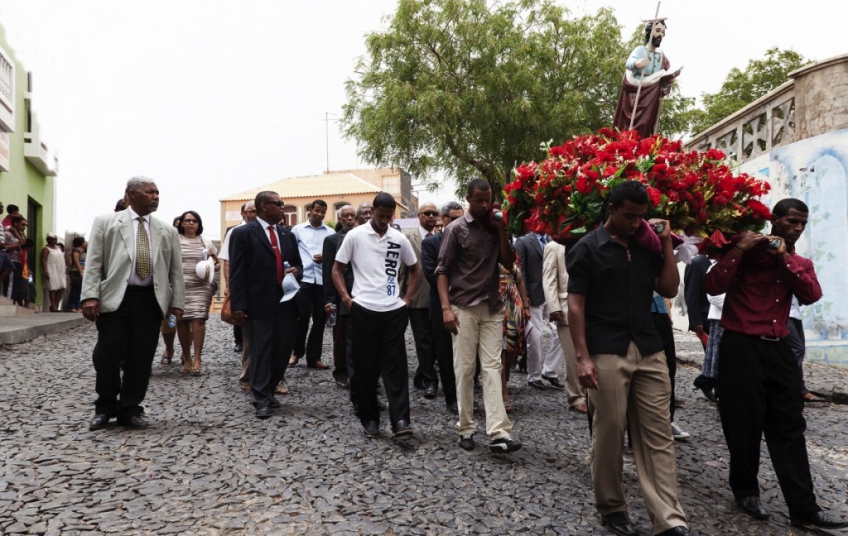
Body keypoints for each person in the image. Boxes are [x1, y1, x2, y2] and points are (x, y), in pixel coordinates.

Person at [704, 199, 847, 530]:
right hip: (740, 347)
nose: (798, 228)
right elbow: (712, 286)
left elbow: (811, 294)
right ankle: (745, 490)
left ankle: (804, 509)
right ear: (775, 220)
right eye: (792, 221)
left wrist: (784, 259)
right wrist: (739, 249)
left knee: (790, 427)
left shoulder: (799, 263)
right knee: (742, 424)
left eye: (803, 224)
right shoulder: (744, 253)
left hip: (779, 349)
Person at [567, 180, 690, 536]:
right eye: (629, 216)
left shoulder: (646, 245)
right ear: (612, 209)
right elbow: (575, 304)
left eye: (641, 217)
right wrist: (582, 358)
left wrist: (666, 243)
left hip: (649, 347)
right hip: (606, 349)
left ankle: (669, 519)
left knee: (658, 434)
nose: (636, 223)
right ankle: (612, 508)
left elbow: (668, 288)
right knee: (609, 431)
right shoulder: (588, 248)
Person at [83, 177, 185, 430]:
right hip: (115, 298)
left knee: (141, 356)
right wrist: (90, 296)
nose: (156, 197)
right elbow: (94, 262)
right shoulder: (106, 222)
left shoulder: (167, 230)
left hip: (150, 300)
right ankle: (105, 406)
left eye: (157, 193)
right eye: (150, 192)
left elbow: (175, 271)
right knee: (108, 354)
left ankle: (130, 408)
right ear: (131, 194)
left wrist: (177, 304)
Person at [437, 178, 522, 454]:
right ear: (468, 199)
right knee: (465, 368)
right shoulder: (455, 229)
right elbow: (442, 271)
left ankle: (499, 432)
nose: (485, 205)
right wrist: (446, 308)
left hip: (492, 305)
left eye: (488, 200)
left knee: (493, 367)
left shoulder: (494, 227)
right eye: (479, 201)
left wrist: (501, 230)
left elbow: (508, 263)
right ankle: (465, 427)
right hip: (463, 305)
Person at [333, 192, 420, 438]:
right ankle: (370, 418)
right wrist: (346, 298)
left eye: (388, 217)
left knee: (396, 367)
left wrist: (407, 299)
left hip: (393, 311)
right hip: (363, 309)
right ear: (372, 211)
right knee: (365, 367)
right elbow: (337, 269)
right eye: (380, 215)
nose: (384, 221)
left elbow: (415, 269)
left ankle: (401, 420)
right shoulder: (355, 236)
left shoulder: (398, 238)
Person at [229, 191, 303, 419]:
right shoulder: (242, 233)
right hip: (258, 303)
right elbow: (237, 272)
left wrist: (296, 271)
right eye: (278, 203)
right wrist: (239, 305)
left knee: (282, 351)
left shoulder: (287, 234)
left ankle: (270, 390)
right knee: (261, 351)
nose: (283, 207)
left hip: (286, 302)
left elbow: (298, 263)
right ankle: (260, 398)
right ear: (263, 206)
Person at [420, 201, 462, 415]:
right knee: (445, 356)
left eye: (461, 219)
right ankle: (451, 398)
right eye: (454, 219)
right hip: (441, 306)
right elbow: (431, 274)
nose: (458, 223)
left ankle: (466, 396)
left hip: (468, 305)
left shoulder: (468, 239)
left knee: (467, 356)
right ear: (443, 219)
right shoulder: (431, 243)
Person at [613, 19, 681, 139]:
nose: (660, 35)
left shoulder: (661, 55)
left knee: (647, 122)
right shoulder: (641, 50)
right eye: (658, 31)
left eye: (663, 33)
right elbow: (629, 63)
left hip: (652, 96)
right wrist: (637, 63)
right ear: (649, 32)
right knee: (633, 124)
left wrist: (670, 79)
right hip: (636, 93)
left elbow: (666, 73)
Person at [541, 237, 587, 414]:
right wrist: (554, 307)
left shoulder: (589, 241)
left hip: (590, 309)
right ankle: (576, 396)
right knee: (572, 356)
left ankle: (591, 394)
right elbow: (549, 279)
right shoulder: (554, 247)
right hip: (566, 308)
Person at [515, 231, 565, 390]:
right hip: (533, 295)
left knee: (562, 332)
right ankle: (534, 375)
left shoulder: (553, 240)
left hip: (551, 295)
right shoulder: (523, 241)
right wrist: (525, 296)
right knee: (535, 337)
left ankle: (550, 370)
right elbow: (521, 270)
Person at [401, 202, 440, 399]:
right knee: (423, 341)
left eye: (434, 213)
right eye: (427, 213)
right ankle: (431, 380)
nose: (431, 216)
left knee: (436, 342)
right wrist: (402, 296)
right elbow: (402, 269)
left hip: (439, 298)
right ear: (419, 215)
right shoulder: (408, 236)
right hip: (417, 297)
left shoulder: (443, 237)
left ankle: (421, 374)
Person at [290, 199, 334, 370]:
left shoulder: (330, 232)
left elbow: (334, 255)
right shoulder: (298, 230)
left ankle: (314, 357)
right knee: (301, 317)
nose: (319, 214)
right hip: (304, 279)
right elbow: (292, 252)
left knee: (320, 320)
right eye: (317, 211)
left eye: (323, 212)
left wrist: (325, 257)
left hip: (322, 280)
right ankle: (296, 353)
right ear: (310, 210)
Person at [175, 211, 219, 375]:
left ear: (199, 224)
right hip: (180, 285)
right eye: (187, 220)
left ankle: (198, 358)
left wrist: (209, 267)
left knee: (199, 319)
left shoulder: (206, 242)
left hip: (201, 286)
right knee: (182, 321)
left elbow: (216, 263)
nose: (191, 223)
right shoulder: (174, 241)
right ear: (182, 223)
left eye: (194, 220)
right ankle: (187, 357)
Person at [322, 205, 357, 391]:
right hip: (339, 295)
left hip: (361, 293)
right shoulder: (331, 240)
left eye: (352, 216)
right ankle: (341, 372)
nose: (349, 219)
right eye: (346, 216)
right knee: (340, 337)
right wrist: (329, 299)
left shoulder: (362, 237)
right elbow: (328, 270)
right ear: (340, 218)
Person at [220, 201, 256, 358]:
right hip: (240, 279)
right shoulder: (234, 231)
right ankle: (239, 341)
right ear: (244, 213)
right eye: (252, 211)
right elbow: (227, 261)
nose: (255, 214)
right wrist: (229, 285)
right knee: (238, 309)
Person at [498, 261, 529, 412]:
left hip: (513, 302)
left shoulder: (510, 254)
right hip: (496, 300)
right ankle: (502, 391)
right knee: (501, 346)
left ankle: (504, 376)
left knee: (513, 343)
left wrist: (526, 305)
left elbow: (519, 279)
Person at [4, 214, 31, 307]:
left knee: (16, 284)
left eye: (25, 225)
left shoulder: (20, 235)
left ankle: (13, 302)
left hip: (19, 262)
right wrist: (18, 244)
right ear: (15, 223)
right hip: (10, 261)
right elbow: (4, 247)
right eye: (22, 224)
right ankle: (8, 303)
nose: (24, 227)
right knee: (10, 284)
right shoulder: (7, 234)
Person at [41, 233, 66, 312]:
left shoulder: (58, 248)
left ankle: (55, 304)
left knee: (62, 287)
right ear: (48, 240)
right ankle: (54, 306)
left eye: (55, 239)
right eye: (52, 239)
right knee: (53, 288)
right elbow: (43, 260)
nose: (54, 241)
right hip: (51, 269)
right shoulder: (46, 249)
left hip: (60, 270)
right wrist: (45, 270)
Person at [67, 237, 87, 313]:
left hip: (82, 270)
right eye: (84, 242)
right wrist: (80, 271)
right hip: (77, 271)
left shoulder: (83, 251)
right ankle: (72, 306)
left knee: (80, 290)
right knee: (75, 289)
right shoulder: (76, 250)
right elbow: (76, 261)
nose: (85, 243)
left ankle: (78, 306)